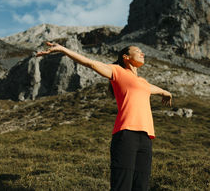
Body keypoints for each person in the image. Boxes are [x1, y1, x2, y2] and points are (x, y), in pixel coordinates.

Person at [36, 42, 172, 191]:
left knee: (141, 186)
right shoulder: (117, 71)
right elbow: (90, 63)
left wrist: (166, 92)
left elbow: (154, 89)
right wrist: (63, 49)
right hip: (126, 135)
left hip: (146, 138)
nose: (142, 53)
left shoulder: (143, 82)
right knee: (122, 185)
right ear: (126, 57)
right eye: (138, 51)